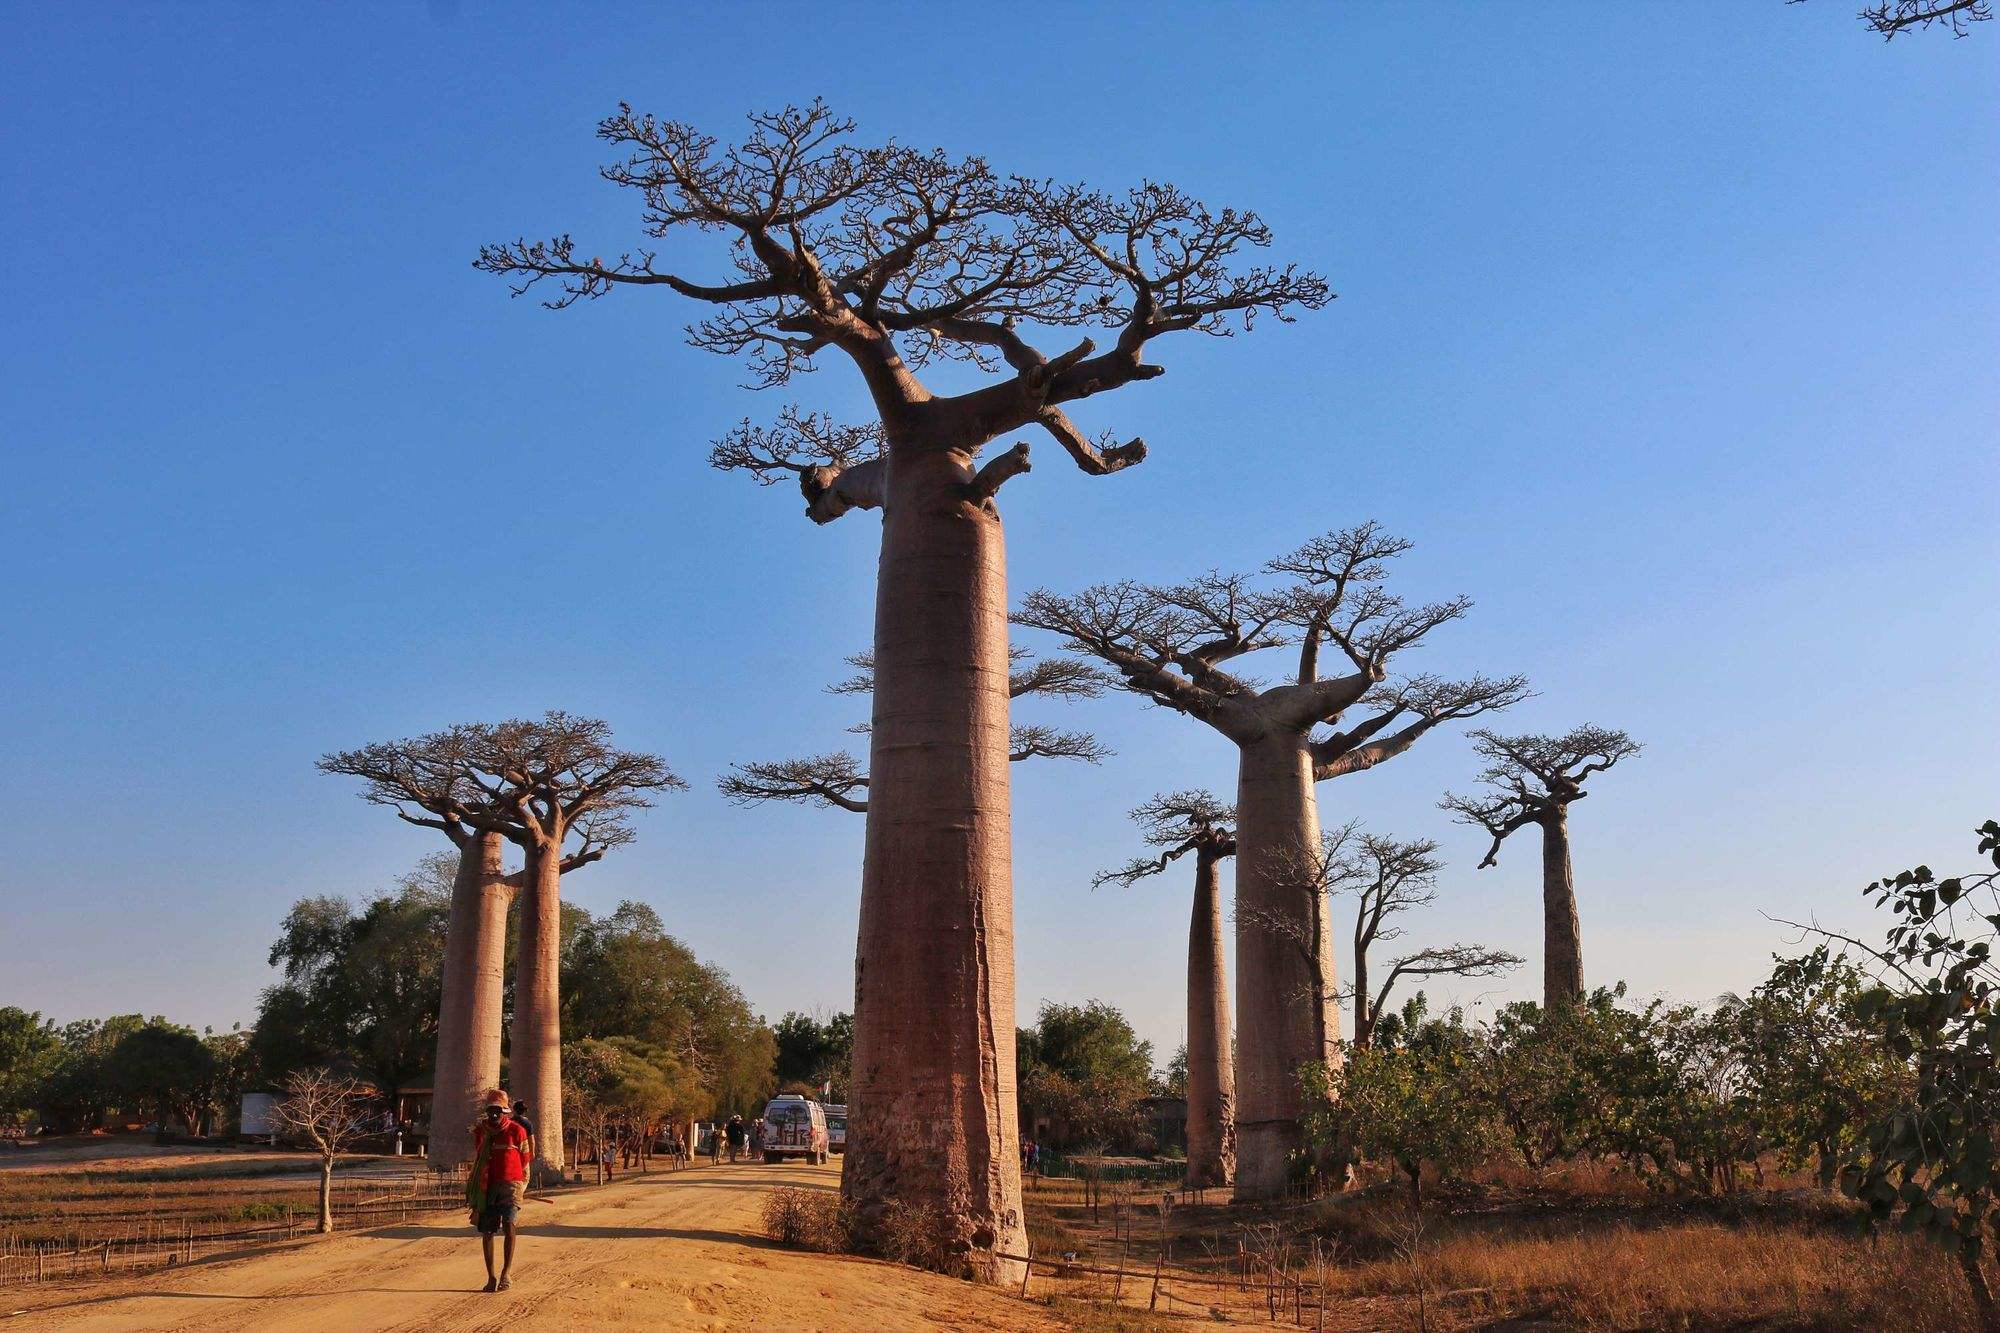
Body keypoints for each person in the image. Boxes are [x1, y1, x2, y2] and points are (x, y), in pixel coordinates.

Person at [469, 1090, 531, 1293]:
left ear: (505, 1111)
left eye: (498, 1111)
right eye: (491, 1111)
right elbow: (479, 1160)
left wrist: (521, 1183)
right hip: (488, 1186)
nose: (494, 1115)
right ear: (487, 1112)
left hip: (511, 1185)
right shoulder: (482, 1132)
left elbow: (525, 1159)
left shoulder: (516, 1130)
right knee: (487, 1231)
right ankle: (491, 1277)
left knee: (510, 1225)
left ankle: (506, 1273)